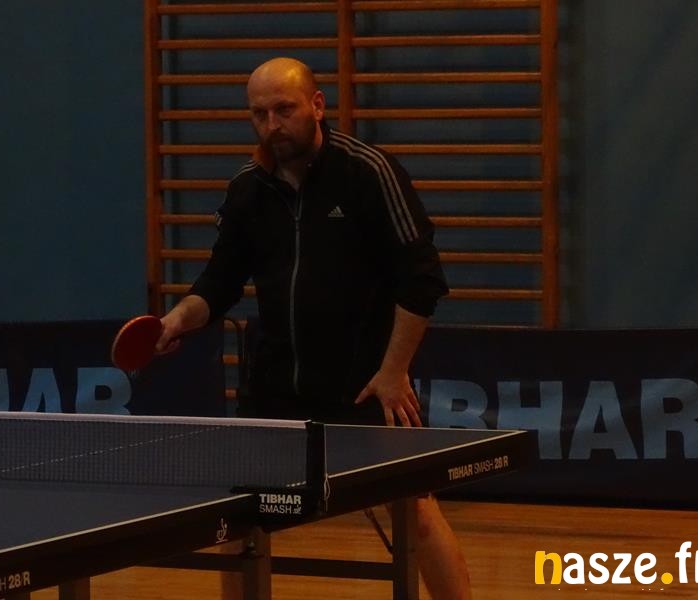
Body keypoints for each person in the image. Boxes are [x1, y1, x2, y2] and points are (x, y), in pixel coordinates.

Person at [156, 57, 471, 600]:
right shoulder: (248, 190)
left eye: (285, 109)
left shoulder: (368, 172)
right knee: (239, 521)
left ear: (317, 106)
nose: (272, 125)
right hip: (275, 386)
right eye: (259, 114)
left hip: (362, 383)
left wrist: (393, 371)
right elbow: (219, 282)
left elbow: (422, 281)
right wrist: (177, 319)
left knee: (415, 512)